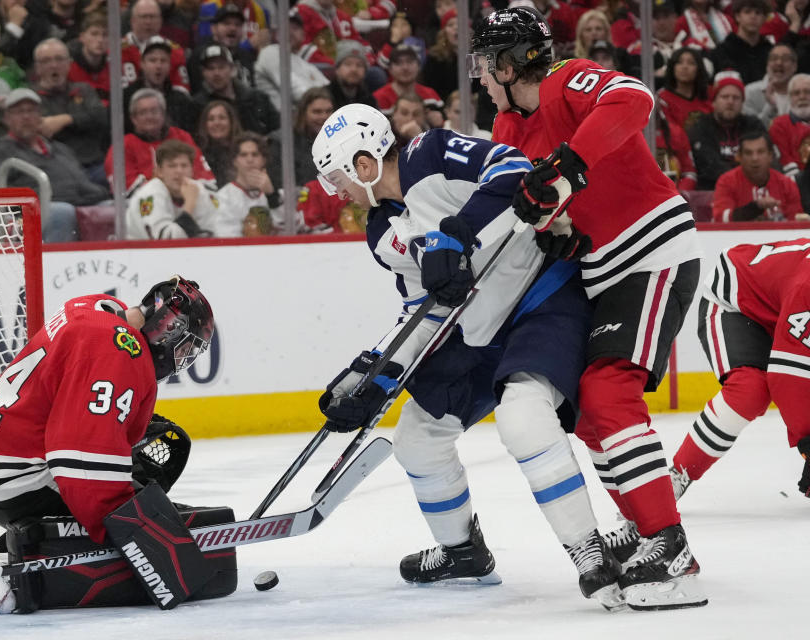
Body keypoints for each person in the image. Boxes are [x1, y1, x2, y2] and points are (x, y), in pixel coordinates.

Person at [311, 104, 623, 610]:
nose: (335, 191)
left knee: (523, 418)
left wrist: (452, 235)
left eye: (336, 177)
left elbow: (514, 170)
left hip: (539, 296)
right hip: (477, 331)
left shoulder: (430, 152)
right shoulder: (381, 232)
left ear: (364, 163)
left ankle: (588, 550)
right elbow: (423, 309)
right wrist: (377, 373)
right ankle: (463, 552)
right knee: (417, 438)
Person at [468, 7, 707, 610]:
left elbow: (633, 98)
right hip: (603, 269)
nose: (477, 76)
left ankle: (668, 545)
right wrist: (545, 222)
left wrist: (570, 163)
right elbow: (549, 206)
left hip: (653, 251)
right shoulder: (505, 129)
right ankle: (650, 532)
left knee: (607, 392)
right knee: (592, 413)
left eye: (483, 63)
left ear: (508, 61)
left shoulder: (564, 79)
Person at [0, 276, 214, 612]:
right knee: (134, 486)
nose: (181, 358)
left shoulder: (96, 309)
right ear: (167, 329)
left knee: (132, 466)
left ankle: (41, 533)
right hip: (15, 480)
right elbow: (78, 457)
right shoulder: (118, 347)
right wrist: (141, 536)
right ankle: (42, 541)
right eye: (185, 346)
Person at [669, 238, 810, 502]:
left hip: (780, 308)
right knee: (750, 390)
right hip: (736, 301)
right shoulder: (808, 287)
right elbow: (787, 378)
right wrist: (807, 441)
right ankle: (677, 475)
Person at [0, 88, 111, 243]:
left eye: (31, 111)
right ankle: (56, 265)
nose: (26, 117)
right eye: (19, 112)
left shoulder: (60, 149)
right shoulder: (1, 152)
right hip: (27, 216)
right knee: (62, 213)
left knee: (115, 207)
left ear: (40, 116)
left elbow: (82, 182)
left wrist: (102, 194)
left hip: (80, 202)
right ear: (7, 118)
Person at [105, 88, 214, 195]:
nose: (149, 117)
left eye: (154, 111)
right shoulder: (122, 146)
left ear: (163, 114)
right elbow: (125, 189)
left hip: (187, 199)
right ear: (134, 118)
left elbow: (204, 177)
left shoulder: (181, 137)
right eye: (143, 112)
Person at [32, 38, 109, 186]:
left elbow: (100, 118)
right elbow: (40, 131)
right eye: (46, 61)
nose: (54, 65)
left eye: (59, 59)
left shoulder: (84, 90)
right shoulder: (31, 98)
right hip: (54, 170)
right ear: (37, 68)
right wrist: (81, 125)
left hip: (93, 165)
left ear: (69, 64)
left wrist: (66, 119)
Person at [688, 71, 766, 190]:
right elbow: (709, 166)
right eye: (725, 97)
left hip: (753, 190)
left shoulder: (753, 124)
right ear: (714, 102)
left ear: (742, 103)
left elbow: (765, 158)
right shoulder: (701, 126)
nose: (730, 102)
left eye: (736, 98)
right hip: (712, 192)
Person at [126, 139, 218, 239]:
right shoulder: (149, 194)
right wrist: (189, 205)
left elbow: (213, 232)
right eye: (172, 166)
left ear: (192, 170)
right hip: (140, 252)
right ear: (160, 171)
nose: (179, 171)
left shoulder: (198, 190)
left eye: (184, 166)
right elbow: (167, 240)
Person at [711, 132, 804, 222]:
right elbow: (720, 218)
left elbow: (795, 222)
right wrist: (754, 208)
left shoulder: (787, 184)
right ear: (739, 157)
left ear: (770, 155)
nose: (755, 158)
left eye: (761, 152)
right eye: (748, 153)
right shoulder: (727, 181)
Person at [191, 43, 280, 135]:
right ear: (203, 72)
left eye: (221, 67)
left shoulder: (257, 98)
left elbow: (278, 130)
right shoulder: (197, 106)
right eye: (211, 68)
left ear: (233, 69)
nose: (216, 73)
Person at [254, 12, 328, 112]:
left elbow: (328, 90)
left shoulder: (305, 64)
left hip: (305, 118)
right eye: (285, 28)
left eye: (295, 28)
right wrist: (321, 101)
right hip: (279, 121)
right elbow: (292, 88)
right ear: (276, 34)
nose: (290, 32)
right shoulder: (270, 52)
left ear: (303, 36)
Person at [266, 86, 333, 192]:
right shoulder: (281, 142)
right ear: (303, 113)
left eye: (328, 111)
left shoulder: (340, 140)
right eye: (317, 112)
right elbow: (279, 185)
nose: (324, 117)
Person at [215, 132, 281, 237]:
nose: (250, 160)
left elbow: (290, 229)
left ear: (264, 160)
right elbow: (225, 235)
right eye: (243, 155)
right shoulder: (223, 197)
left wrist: (272, 196)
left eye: (255, 154)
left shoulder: (278, 194)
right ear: (234, 161)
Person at [372, 43, 444, 129]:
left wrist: (440, 122)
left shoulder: (431, 95)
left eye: (410, 62)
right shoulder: (378, 98)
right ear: (390, 69)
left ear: (418, 66)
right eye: (398, 63)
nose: (405, 67)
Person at [712, 0, 774, 85]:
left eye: (758, 13)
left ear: (764, 18)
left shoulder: (771, 51)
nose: (753, 16)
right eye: (747, 12)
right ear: (737, 16)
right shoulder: (722, 51)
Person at [657, 47, 712, 131]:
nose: (685, 67)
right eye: (679, 62)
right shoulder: (663, 100)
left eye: (691, 63)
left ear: (699, 68)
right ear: (673, 67)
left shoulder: (710, 94)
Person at [744, 44, 798, 127]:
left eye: (785, 59)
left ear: (794, 66)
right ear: (767, 65)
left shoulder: (805, 90)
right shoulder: (750, 92)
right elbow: (752, 129)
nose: (779, 63)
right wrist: (771, 106)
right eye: (774, 58)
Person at [194, 99, 242, 189]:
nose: (216, 123)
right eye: (211, 119)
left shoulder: (244, 149)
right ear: (205, 125)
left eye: (222, 118)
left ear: (231, 121)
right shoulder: (199, 155)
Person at [769, 74, 810, 177]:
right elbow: (785, 162)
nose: (802, 97)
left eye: (807, 92)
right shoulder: (779, 126)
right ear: (789, 98)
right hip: (795, 183)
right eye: (796, 93)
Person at [328, 39, 378, 110]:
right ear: (337, 69)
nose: (354, 69)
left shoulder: (369, 101)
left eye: (359, 65)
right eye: (348, 64)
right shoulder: (324, 97)